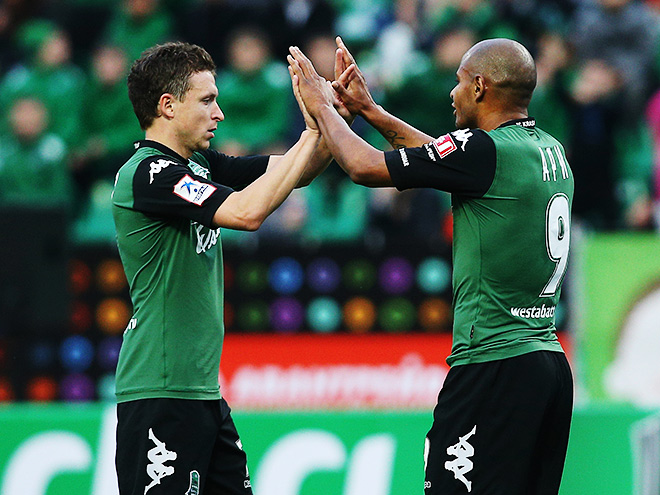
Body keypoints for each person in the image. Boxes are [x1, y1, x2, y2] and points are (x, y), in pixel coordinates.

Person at [288, 36, 574, 494]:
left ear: (480, 87)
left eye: (459, 82)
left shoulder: (483, 151)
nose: (452, 93)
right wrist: (369, 110)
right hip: (548, 365)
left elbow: (363, 167)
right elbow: (438, 159)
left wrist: (322, 107)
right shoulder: (547, 150)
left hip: (492, 365)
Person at [111, 41, 334, 495]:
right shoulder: (149, 175)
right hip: (160, 392)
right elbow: (246, 214)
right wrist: (312, 129)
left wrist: (332, 115)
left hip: (203, 396)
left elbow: (300, 171)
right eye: (207, 100)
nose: (220, 114)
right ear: (168, 106)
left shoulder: (199, 164)